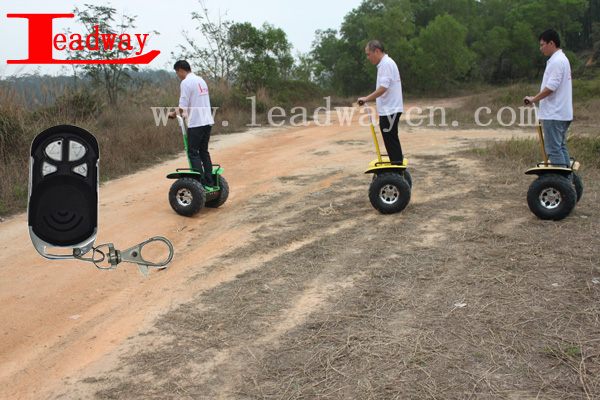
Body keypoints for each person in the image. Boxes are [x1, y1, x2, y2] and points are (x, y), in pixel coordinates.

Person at [524, 29, 573, 169]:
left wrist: (534, 99)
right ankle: (567, 184)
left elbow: (551, 87)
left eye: (542, 45)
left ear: (551, 43)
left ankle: (561, 185)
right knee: (560, 147)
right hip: (561, 113)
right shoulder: (561, 59)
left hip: (555, 113)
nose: (541, 49)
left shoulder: (557, 61)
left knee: (553, 150)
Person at [168, 60, 215, 189]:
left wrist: (173, 114)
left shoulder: (186, 82)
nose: (178, 76)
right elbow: (195, 102)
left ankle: (199, 185)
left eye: (177, 73)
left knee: (193, 152)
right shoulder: (201, 80)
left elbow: (182, 106)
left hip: (196, 123)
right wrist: (184, 115)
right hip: (207, 121)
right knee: (204, 152)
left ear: (180, 70)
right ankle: (209, 183)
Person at [357, 39, 404, 164]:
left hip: (390, 109)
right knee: (390, 141)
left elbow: (384, 87)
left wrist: (366, 98)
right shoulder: (385, 64)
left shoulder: (386, 64)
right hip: (388, 109)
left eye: (369, 54)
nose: (368, 57)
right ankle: (397, 169)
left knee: (391, 141)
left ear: (377, 51)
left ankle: (397, 172)